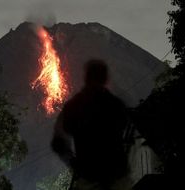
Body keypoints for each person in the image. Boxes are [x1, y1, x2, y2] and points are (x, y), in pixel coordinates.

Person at [52, 59, 130, 190]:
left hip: (90, 177)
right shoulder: (116, 105)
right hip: (117, 176)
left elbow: (58, 142)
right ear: (105, 79)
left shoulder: (73, 107)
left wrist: (75, 164)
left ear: (86, 78)